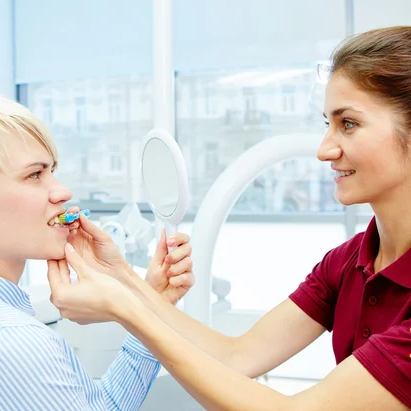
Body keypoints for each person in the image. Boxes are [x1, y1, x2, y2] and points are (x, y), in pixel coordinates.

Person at [47, 26, 411, 410]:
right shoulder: (350, 261)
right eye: (327, 124)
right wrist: (120, 279)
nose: (324, 149)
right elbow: (238, 358)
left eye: (348, 124)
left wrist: (125, 308)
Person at [0, 89, 194, 410]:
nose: (63, 191)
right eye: (35, 174)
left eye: (52, 171)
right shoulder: (9, 340)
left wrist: (152, 300)